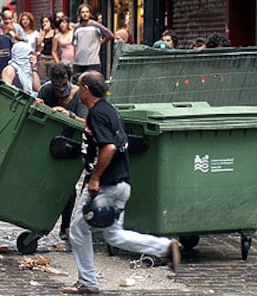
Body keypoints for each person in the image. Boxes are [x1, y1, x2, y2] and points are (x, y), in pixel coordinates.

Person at [62, 71, 181, 294]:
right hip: (121, 184)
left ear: (86, 89)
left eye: (79, 86)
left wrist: (95, 178)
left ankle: (88, 283)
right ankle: (165, 247)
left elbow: (109, 147)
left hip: (105, 186)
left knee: (78, 230)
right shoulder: (108, 111)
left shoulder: (97, 113)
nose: (77, 91)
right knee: (114, 235)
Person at [36, 63, 87, 240]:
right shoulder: (46, 91)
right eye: (56, 86)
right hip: (47, 144)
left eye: (63, 85)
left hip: (71, 145)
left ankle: (65, 227)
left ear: (69, 80)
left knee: (68, 187)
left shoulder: (79, 96)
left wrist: (68, 115)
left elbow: (86, 124)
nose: (60, 90)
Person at [72, 4, 114, 76]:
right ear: (79, 14)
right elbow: (75, 44)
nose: (85, 14)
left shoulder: (96, 25)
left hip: (92, 62)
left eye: (87, 12)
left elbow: (110, 35)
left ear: (90, 13)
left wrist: (101, 42)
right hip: (79, 62)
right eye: (83, 12)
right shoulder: (77, 27)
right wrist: (74, 59)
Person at [37, 15, 55, 81]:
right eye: (43, 22)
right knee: (43, 78)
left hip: (52, 58)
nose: (44, 23)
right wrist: (43, 34)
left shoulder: (54, 32)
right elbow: (38, 43)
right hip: (43, 57)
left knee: (52, 77)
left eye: (46, 21)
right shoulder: (42, 33)